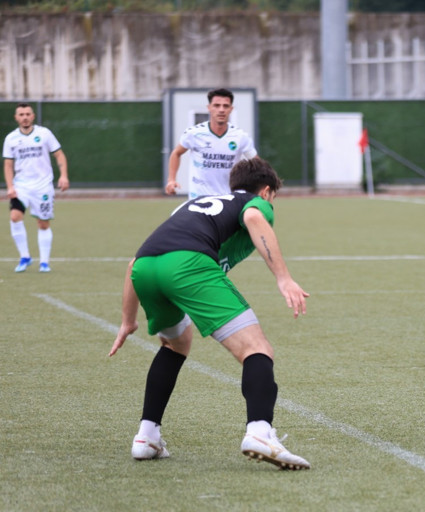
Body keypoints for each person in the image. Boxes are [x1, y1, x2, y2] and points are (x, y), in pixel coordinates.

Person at [109, 157, 311, 470]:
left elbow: (134, 263)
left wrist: (127, 320)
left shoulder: (200, 203)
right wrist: (283, 278)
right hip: (186, 265)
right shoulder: (257, 201)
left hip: (146, 268)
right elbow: (256, 217)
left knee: (176, 344)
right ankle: (260, 431)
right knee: (256, 348)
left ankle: (146, 436)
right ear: (268, 191)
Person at [3, 102, 69, 273]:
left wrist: (63, 175)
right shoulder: (11, 138)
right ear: (16, 118)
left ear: (32, 116)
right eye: (21, 114)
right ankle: (25, 256)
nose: (25, 117)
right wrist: (10, 186)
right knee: (15, 217)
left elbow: (59, 154)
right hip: (21, 186)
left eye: (27, 114)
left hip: (43, 186)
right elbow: (8, 165)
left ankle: (44, 262)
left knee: (43, 223)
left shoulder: (44, 134)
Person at [165, 88, 257, 199]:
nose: (221, 110)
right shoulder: (194, 133)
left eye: (225, 106)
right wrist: (171, 180)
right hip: (198, 199)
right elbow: (176, 153)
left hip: (228, 199)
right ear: (209, 108)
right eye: (216, 105)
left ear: (231, 109)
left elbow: (257, 163)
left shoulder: (241, 137)